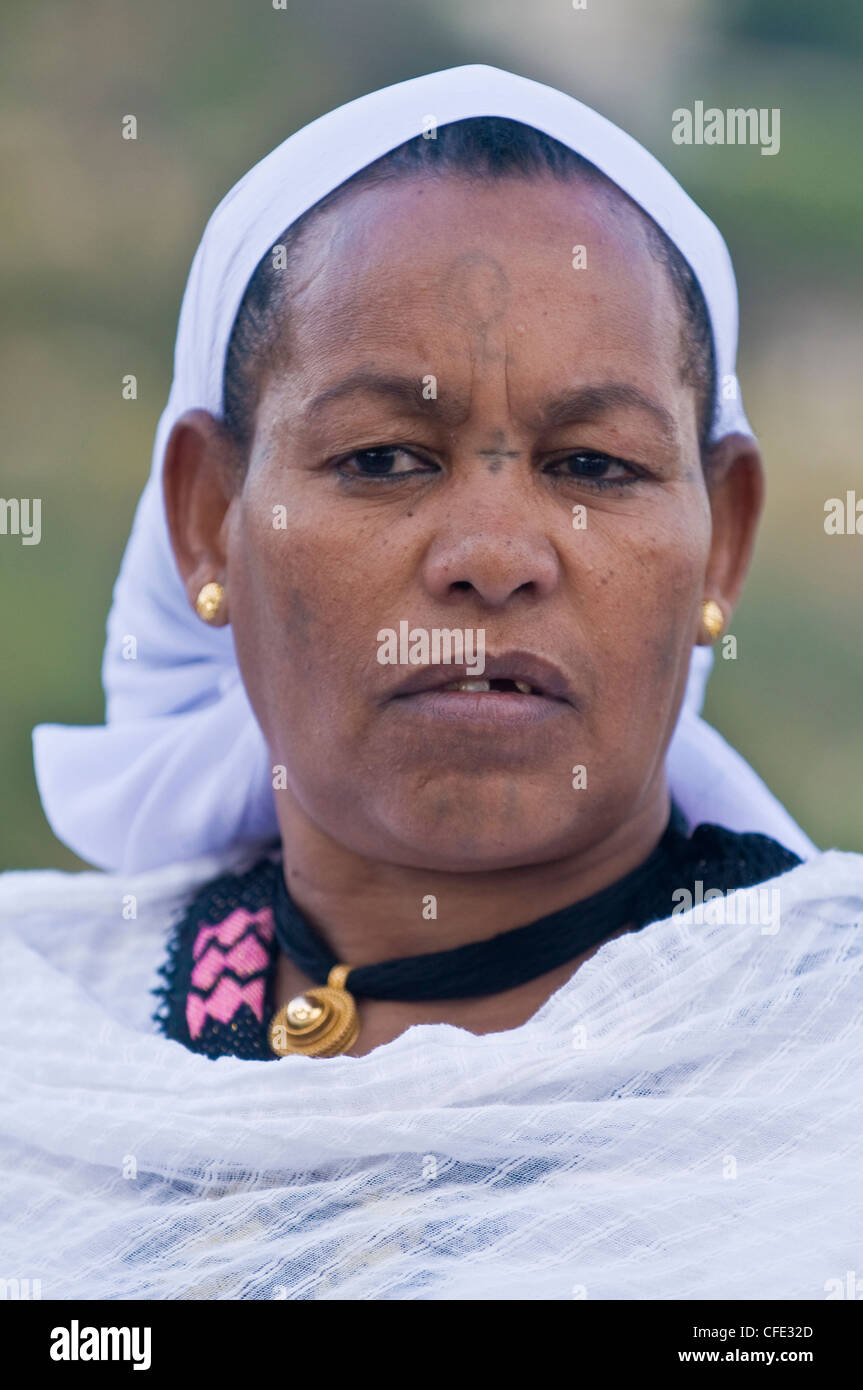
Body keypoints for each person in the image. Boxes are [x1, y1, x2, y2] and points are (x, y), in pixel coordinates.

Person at [1, 65, 860, 1301]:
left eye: (594, 465)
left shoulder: (827, 1065)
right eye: (384, 457)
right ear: (207, 521)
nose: (494, 559)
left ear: (721, 538)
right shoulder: (35, 1040)